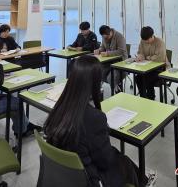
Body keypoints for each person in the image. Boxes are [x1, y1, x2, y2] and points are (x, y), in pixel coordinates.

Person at [44, 55, 154, 187]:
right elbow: (105, 161)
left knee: (121, 158)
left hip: (64, 176)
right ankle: (144, 181)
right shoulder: (94, 118)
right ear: (94, 83)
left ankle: (142, 178)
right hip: (91, 180)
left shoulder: (59, 108)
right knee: (123, 161)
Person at [134, 26, 170, 100]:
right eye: (144, 40)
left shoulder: (160, 42)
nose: (146, 42)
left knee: (147, 78)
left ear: (152, 36)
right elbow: (140, 52)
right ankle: (143, 97)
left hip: (160, 68)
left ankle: (151, 98)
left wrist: (148, 57)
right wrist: (140, 56)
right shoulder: (143, 41)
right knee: (138, 78)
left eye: (147, 40)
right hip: (147, 68)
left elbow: (160, 58)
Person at [97, 25, 128, 91]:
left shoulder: (119, 37)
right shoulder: (104, 37)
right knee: (98, 71)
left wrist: (108, 53)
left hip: (120, 62)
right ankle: (98, 90)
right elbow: (103, 47)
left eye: (107, 37)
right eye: (103, 37)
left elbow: (121, 51)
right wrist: (99, 50)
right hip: (109, 61)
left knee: (111, 78)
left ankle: (117, 90)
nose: (106, 39)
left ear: (110, 32)